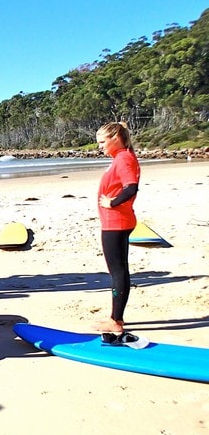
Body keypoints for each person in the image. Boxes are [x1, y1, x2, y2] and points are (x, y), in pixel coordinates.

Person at [93, 122, 140, 334]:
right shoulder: (120, 157)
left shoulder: (123, 158)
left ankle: (116, 321)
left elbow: (131, 188)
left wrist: (112, 203)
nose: (100, 146)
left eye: (102, 142)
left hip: (117, 223)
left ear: (115, 138)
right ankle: (116, 317)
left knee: (118, 272)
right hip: (116, 222)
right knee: (118, 271)